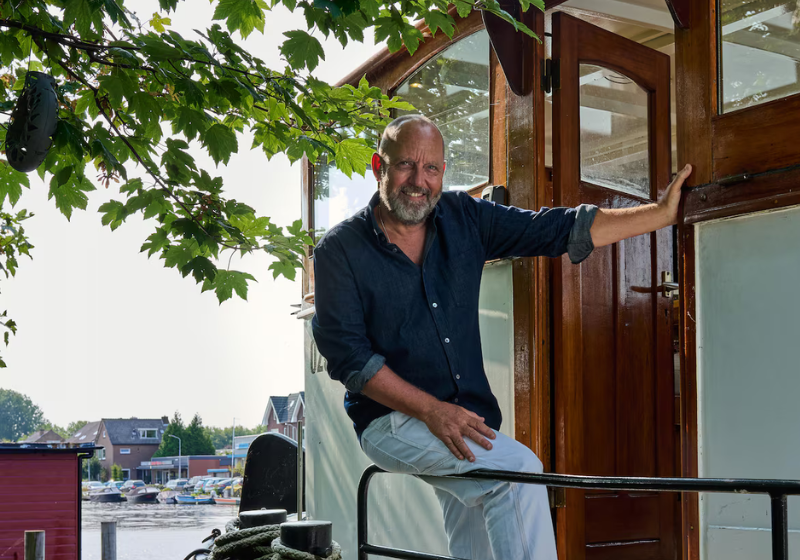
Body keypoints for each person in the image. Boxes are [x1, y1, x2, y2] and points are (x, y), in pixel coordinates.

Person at [311, 114, 692, 560]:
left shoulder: (463, 218)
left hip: (469, 419)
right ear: (379, 166)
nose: (419, 180)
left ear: (443, 173)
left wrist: (661, 214)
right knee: (518, 474)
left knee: (473, 530)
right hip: (390, 420)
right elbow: (352, 362)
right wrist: (433, 411)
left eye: (431, 168)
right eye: (405, 166)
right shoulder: (339, 251)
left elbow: (557, 229)